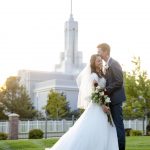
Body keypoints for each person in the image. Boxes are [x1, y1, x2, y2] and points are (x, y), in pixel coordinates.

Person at [45, 54, 119, 150]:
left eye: (101, 60)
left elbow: (103, 90)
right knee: (93, 129)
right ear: (93, 63)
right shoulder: (93, 75)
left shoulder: (102, 74)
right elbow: (96, 91)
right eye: (98, 61)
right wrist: (103, 105)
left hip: (104, 103)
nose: (100, 62)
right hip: (97, 106)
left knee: (103, 129)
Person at [97, 43, 126, 150]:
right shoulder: (105, 65)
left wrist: (106, 90)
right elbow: (108, 80)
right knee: (113, 126)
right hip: (110, 100)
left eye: (99, 51)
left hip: (116, 100)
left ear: (105, 52)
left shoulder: (114, 63)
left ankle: (121, 148)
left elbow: (119, 81)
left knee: (118, 125)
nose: (98, 53)